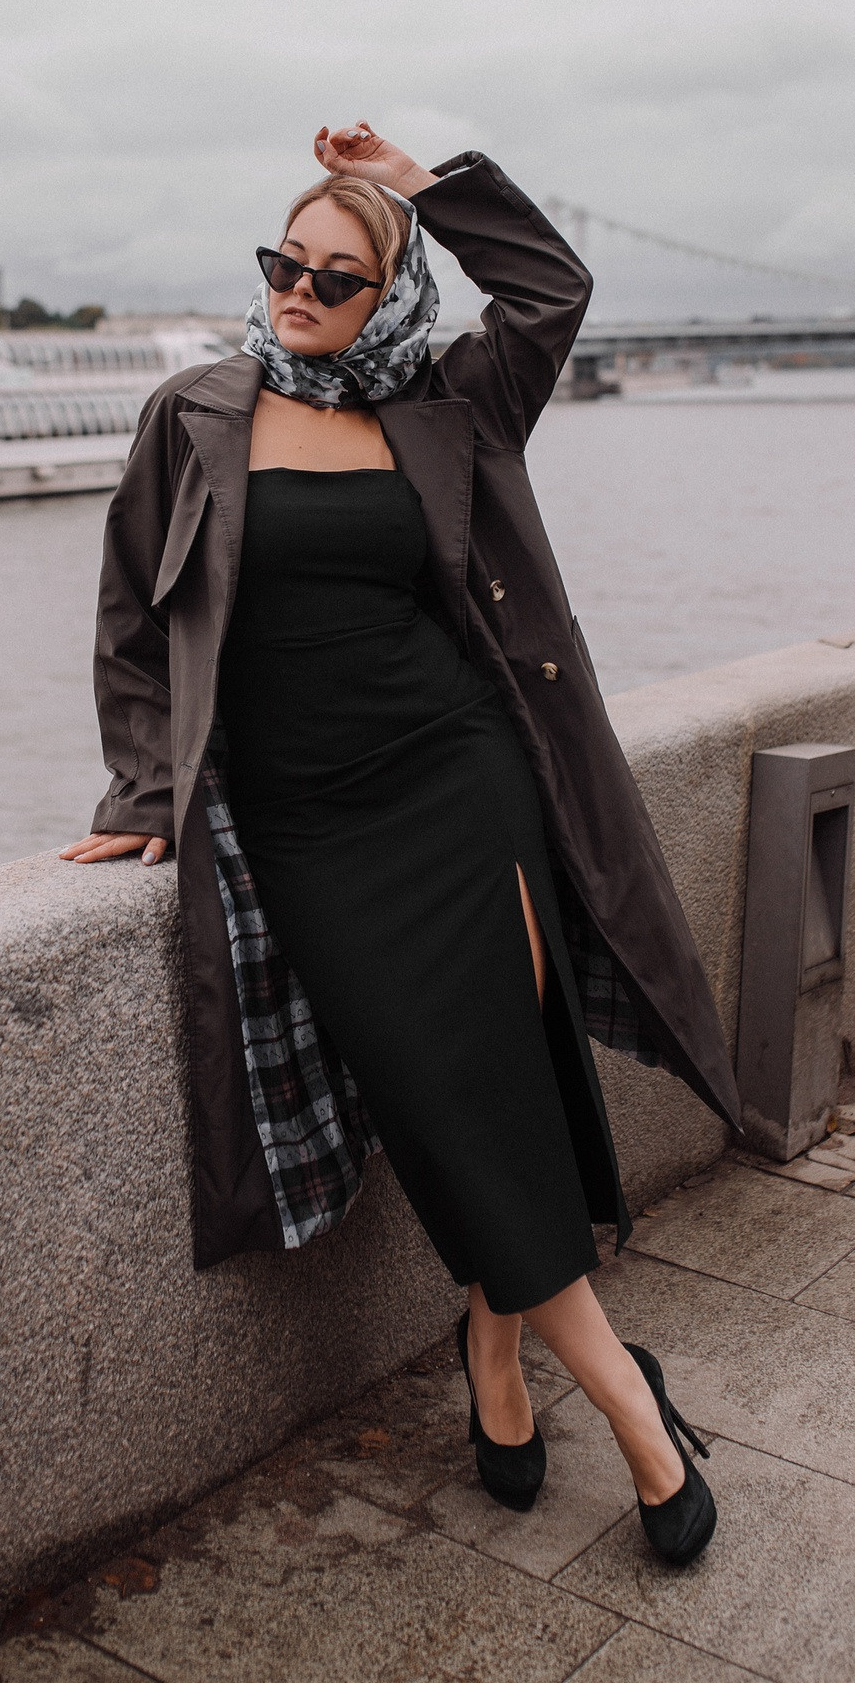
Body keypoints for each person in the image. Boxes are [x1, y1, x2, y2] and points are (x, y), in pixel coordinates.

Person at [62, 123, 737, 1564]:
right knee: (444, 1099)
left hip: (462, 781)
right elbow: (131, 616)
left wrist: (425, 182)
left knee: (498, 1086)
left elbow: (551, 289)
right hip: (308, 826)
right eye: (283, 263)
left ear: (391, 294)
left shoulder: (451, 402)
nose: (298, 292)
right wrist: (140, 793)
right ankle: (626, 1399)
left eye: (337, 276)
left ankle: (530, 1374)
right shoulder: (195, 415)